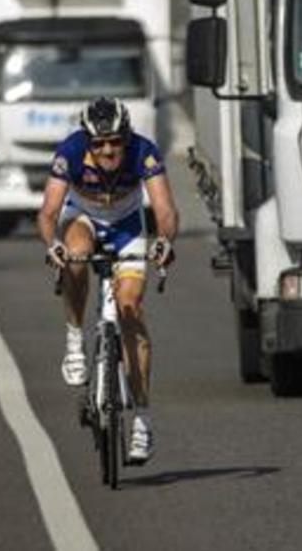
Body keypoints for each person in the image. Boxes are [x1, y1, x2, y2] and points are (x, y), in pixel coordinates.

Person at [37, 96, 178, 465]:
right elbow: (49, 211)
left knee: (130, 309)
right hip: (82, 217)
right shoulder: (69, 152)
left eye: (115, 141)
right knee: (77, 256)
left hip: (128, 227)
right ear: (87, 141)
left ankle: (143, 422)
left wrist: (165, 240)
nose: (108, 150)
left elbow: (164, 209)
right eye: (99, 143)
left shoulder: (144, 153)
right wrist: (53, 245)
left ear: (127, 137)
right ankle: (74, 339)